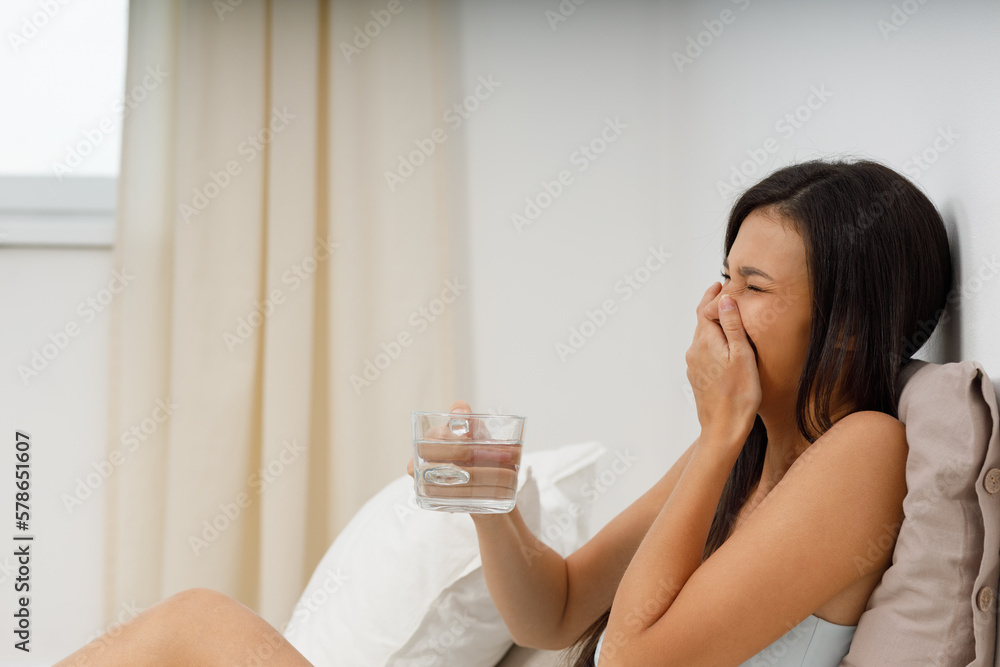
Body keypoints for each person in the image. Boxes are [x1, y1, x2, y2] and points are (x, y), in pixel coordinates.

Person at [54, 158, 952, 666]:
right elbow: (553, 613)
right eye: (723, 275)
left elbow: (630, 661)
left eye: (752, 287)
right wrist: (492, 506)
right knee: (189, 625)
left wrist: (718, 432)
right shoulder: (745, 448)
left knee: (194, 626)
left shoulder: (864, 450)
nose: (713, 306)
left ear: (846, 326)